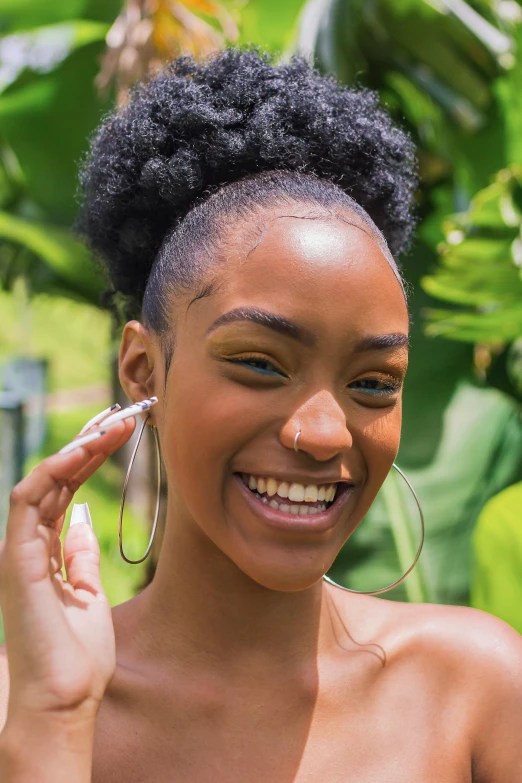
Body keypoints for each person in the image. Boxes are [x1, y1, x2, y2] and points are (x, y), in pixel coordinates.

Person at [0, 49, 520, 783]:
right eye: (260, 364)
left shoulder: (475, 691)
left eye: (373, 382)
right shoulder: (22, 707)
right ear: (144, 370)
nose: (325, 432)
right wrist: (54, 722)